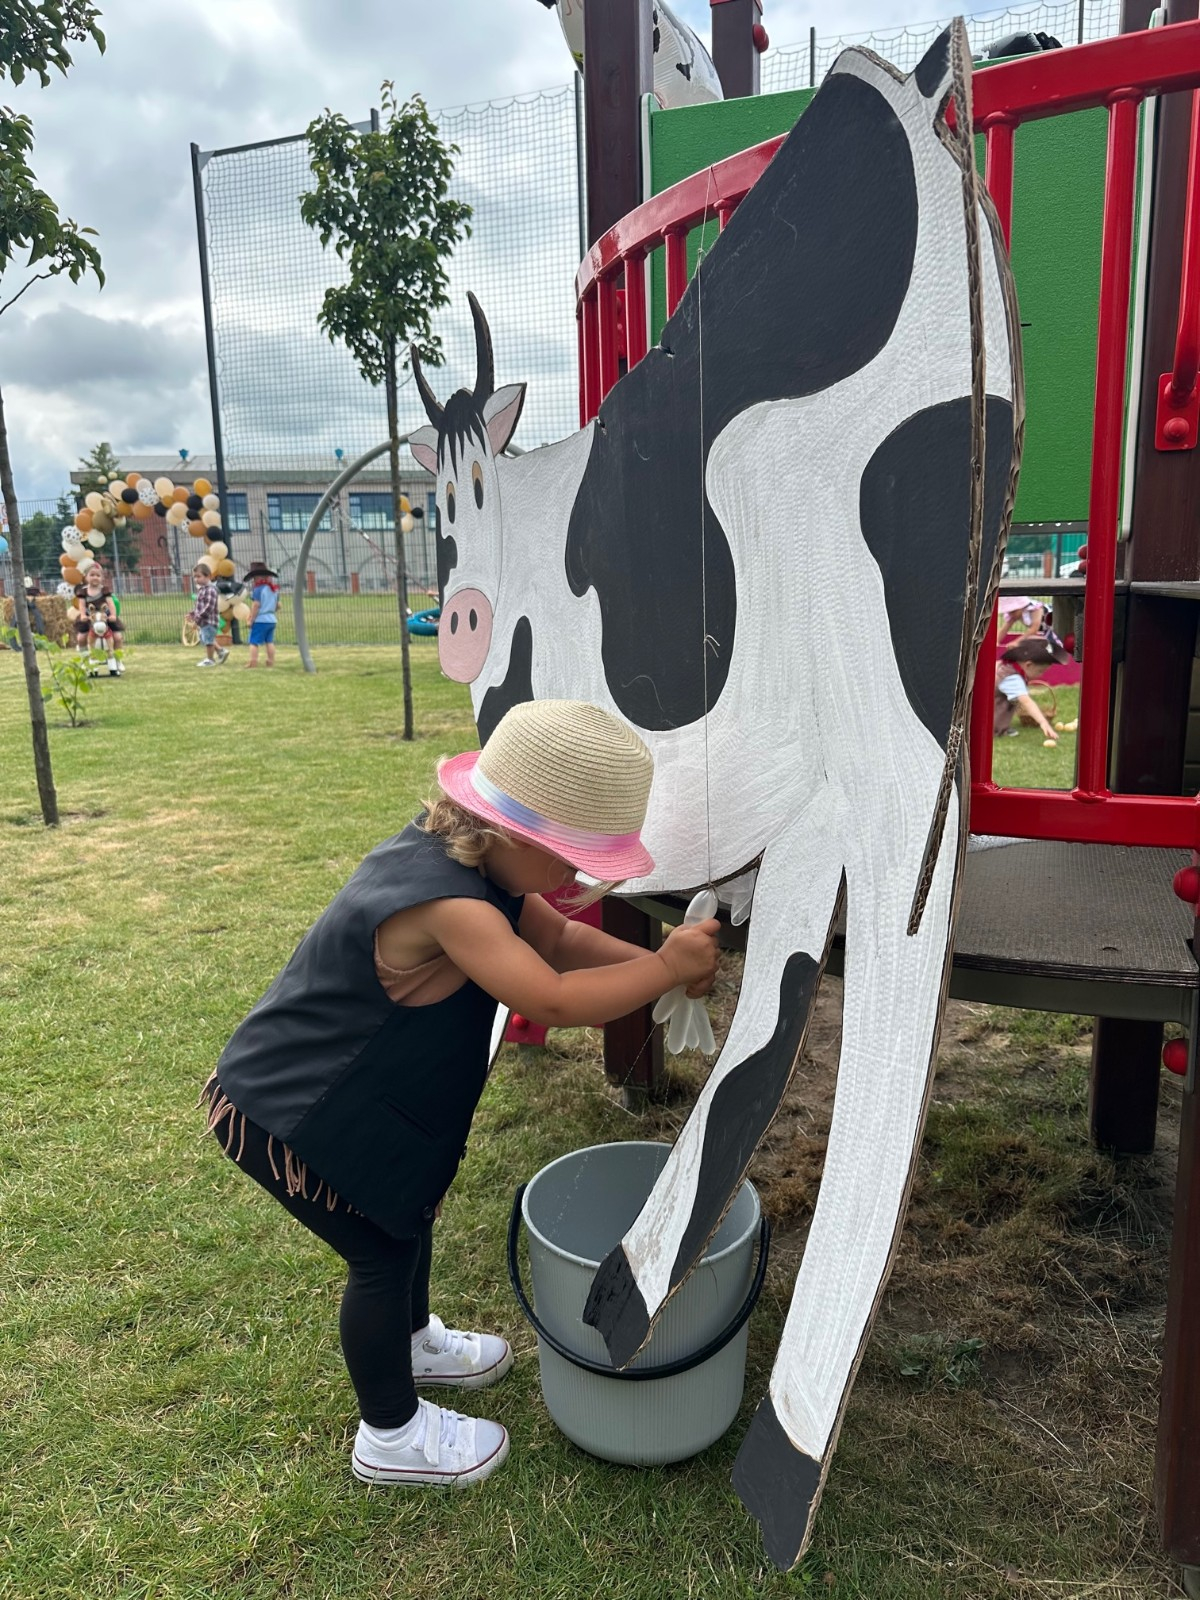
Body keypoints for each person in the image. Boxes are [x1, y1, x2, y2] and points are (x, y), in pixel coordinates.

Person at [202, 700, 721, 1489]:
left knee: (405, 1219)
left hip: (360, 1102)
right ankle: (390, 1435)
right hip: (294, 1111)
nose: (577, 879)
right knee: (380, 1254)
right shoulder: (448, 904)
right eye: (571, 861)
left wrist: (663, 970)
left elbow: (559, 941)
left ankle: (413, 1343)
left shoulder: (482, 864)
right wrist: (661, 969)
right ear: (515, 834)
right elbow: (548, 996)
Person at [993, 630, 1072, 742]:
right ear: (1028, 665)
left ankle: (1001, 726)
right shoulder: (1012, 679)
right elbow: (1026, 702)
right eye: (1040, 671)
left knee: (1010, 701)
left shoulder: (1007, 666)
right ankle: (997, 729)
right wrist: (1043, 722)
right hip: (990, 722)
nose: (1041, 675)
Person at [75, 562, 125, 676]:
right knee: (81, 638)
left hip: (104, 618)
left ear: (102, 578)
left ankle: (118, 660)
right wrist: (83, 615)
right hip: (90, 618)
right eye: (92, 575)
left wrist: (113, 615)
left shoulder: (105, 590)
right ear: (86, 577)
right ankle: (85, 660)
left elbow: (111, 604)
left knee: (117, 637)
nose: (95, 577)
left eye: (98, 575)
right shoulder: (83, 591)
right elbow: (81, 605)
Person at [188, 562, 227, 667]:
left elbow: (209, 607)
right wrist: (192, 613)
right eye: (195, 577)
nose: (196, 579)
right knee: (207, 638)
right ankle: (221, 651)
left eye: (199, 576)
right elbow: (199, 606)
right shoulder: (202, 590)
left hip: (209, 621)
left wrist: (198, 617)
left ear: (208, 576)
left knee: (208, 641)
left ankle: (210, 660)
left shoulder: (210, 590)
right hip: (204, 621)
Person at [242, 561, 279, 668]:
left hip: (260, 620)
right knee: (269, 641)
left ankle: (253, 662)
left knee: (253, 642)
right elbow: (278, 605)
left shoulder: (258, 589)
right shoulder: (274, 589)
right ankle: (270, 661)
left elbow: (256, 605)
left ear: (256, 578)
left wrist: (251, 619)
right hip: (271, 619)